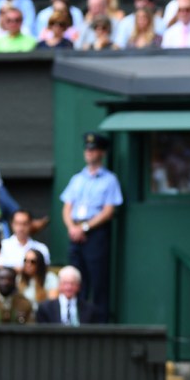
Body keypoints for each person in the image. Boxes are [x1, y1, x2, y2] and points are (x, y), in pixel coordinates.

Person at [60, 132, 122, 319]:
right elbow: (67, 207)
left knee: (98, 280)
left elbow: (108, 211)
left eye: (93, 149)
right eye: (87, 149)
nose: (89, 152)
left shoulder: (109, 180)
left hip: (95, 234)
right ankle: (75, 321)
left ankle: (100, 325)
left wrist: (85, 228)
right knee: (76, 279)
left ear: (102, 152)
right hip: (75, 233)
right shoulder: (77, 179)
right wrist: (72, 228)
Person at [36, 265, 106, 324]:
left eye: (72, 283)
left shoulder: (90, 310)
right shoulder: (46, 308)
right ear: (59, 285)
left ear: (79, 286)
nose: (69, 287)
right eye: (65, 283)